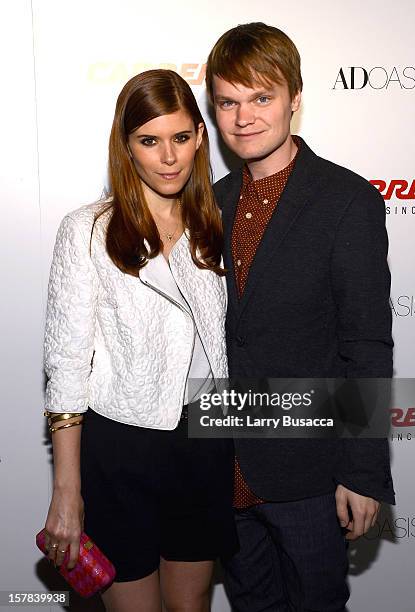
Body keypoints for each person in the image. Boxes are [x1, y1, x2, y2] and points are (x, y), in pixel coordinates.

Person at [206, 23, 395, 612]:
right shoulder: (211, 201)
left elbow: (366, 346)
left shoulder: (346, 199)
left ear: (294, 98)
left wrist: (363, 473)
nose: (244, 118)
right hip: (223, 469)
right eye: (228, 102)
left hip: (311, 475)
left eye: (261, 97)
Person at [42, 69, 237, 612]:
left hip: (203, 440)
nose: (168, 157)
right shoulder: (88, 229)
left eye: (180, 138)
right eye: (149, 141)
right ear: (126, 147)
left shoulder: (214, 223)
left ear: (200, 137)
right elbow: (66, 364)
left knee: (192, 603)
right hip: (121, 446)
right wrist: (66, 490)